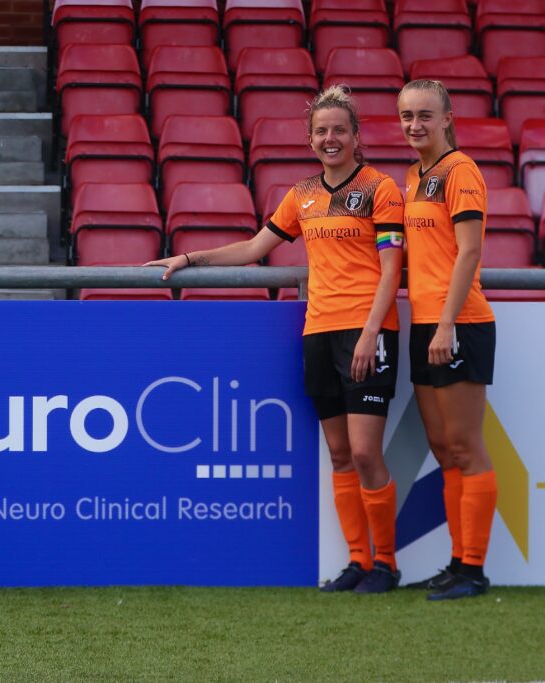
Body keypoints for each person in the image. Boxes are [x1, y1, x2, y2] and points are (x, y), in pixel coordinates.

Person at [146, 86, 406, 593]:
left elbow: (392, 268)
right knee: (337, 453)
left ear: (356, 136)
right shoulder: (302, 194)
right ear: (311, 140)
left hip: (366, 331)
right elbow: (254, 249)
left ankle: (387, 566)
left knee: (366, 452)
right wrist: (189, 258)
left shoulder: (381, 189)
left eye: (339, 130)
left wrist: (370, 330)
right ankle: (357, 562)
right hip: (317, 330)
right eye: (321, 131)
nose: (330, 138)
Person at [397, 80, 496, 600]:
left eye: (425, 116)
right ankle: (458, 562)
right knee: (442, 448)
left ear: (448, 118)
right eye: (407, 116)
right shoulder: (413, 176)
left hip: (458, 325)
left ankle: (474, 571)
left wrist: (446, 324)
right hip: (426, 325)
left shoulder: (462, 171)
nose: (415, 125)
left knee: (465, 446)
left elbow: (469, 253)